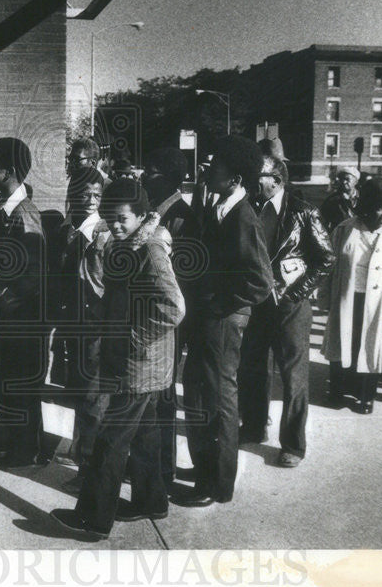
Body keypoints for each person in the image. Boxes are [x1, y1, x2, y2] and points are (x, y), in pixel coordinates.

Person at [50, 179, 185, 541]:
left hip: (139, 364)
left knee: (111, 441)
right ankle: (151, 501)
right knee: (144, 437)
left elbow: (173, 307)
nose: (116, 225)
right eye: (110, 219)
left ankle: (94, 520)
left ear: (142, 215)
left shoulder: (152, 250)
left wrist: (132, 338)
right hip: (142, 363)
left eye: (123, 218)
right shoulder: (127, 245)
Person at [176, 135, 274, 507]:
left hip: (222, 321)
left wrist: (222, 304)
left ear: (234, 178)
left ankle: (217, 484)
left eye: (215, 165)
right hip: (211, 318)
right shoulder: (220, 204)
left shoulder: (243, 216)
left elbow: (261, 282)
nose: (207, 168)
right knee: (200, 392)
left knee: (217, 398)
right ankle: (206, 470)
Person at [238, 153, 334, 467]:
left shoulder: (304, 212)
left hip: (291, 307)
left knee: (293, 378)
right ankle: (253, 426)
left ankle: (293, 445)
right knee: (252, 370)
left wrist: (295, 292)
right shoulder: (248, 206)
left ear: (277, 181)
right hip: (257, 304)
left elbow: (326, 259)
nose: (252, 181)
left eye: (259, 176)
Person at [0, 137, 50, 469]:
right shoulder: (4, 206)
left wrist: (4, 299)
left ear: (7, 171)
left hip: (18, 316)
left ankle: (26, 450)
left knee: (18, 383)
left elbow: (32, 275)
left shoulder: (25, 214)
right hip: (1, 309)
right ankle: (22, 440)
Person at [319, 176, 382, 414]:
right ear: (365, 207)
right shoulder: (345, 230)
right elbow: (328, 268)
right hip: (348, 297)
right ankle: (338, 391)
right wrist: (323, 296)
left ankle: (366, 396)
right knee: (344, 346)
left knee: (371, 349)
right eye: (379, 207)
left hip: (380, 304)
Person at [141, 147, 202, 487]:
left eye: (149, 172)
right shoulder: (157, 211)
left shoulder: (181, 217)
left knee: (163, 395)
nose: (142, 178)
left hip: (168, 320)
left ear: (167, 178)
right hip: (156, 316)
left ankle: (163, 469)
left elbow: (182, 280)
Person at [50, 168, 110, 481]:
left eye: (97, 195)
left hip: (94, 328)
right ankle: (80, 450)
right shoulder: (69, 229)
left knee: (92, 398)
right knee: (79, 391)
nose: (89, 200)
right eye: (84, 194)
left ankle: (89, 469)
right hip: (72, 323)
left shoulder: (104, 232)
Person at [320, 167, 360, 234]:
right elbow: (322, 224)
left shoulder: (364, 198)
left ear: (356, 181)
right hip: (339, 237)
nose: (344, 182)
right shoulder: (331, 201)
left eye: (347, 179)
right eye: (342, 179)